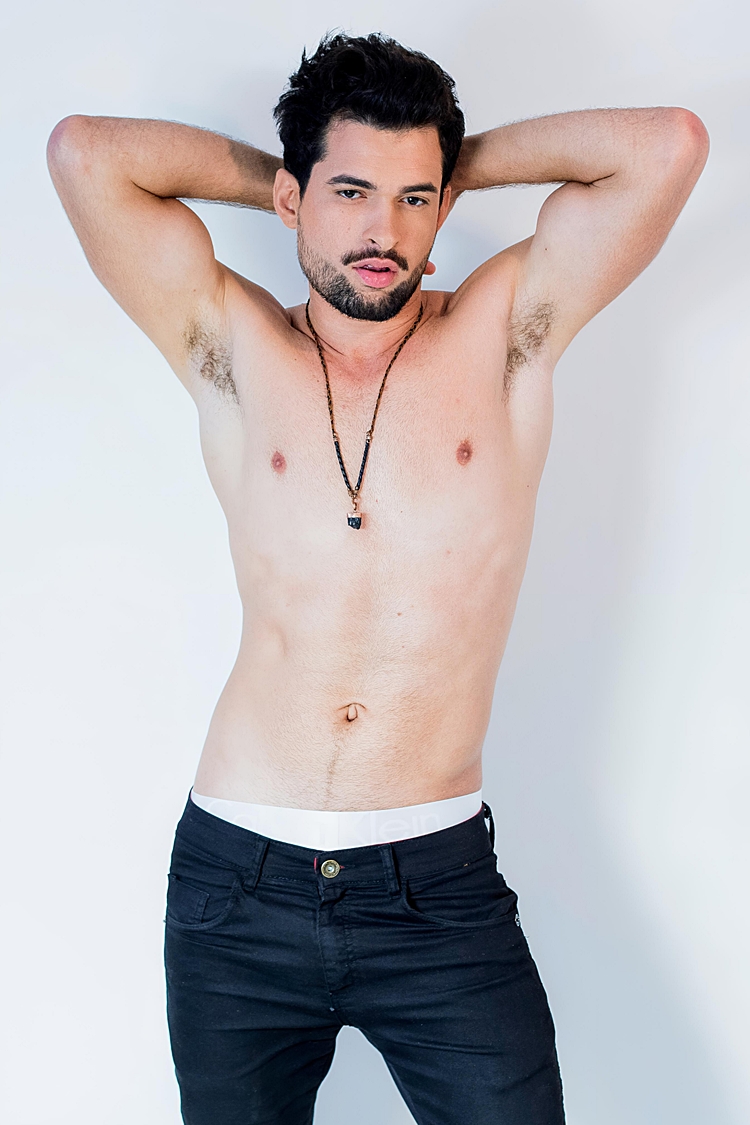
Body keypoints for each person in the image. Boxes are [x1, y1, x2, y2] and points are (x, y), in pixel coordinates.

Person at [47, 31, 708, 1125]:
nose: (383, 232)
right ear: (293, 196)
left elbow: (669, 146)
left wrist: (449, 169)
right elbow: (84, 153)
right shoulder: (232, 344)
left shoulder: (505, 333)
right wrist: (298, 185)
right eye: (351, 193)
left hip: (434, 889)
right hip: (236, 883)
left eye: (413, 201)